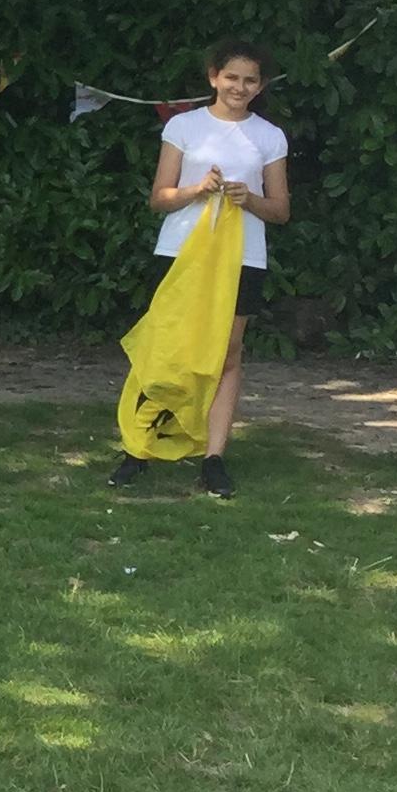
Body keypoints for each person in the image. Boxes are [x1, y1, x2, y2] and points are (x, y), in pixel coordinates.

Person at [110, 39, 289, 501]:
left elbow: (280, 210)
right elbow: (159, 198)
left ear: (260, 86)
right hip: (180, 251)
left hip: (243, 257)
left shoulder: (269, 136)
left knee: (227, 354)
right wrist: (197, 190)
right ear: (214, 77)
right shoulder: (184, 126)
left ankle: (213, 457)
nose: (239, 87)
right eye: (231, 77)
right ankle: (138, 447)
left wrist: (248, 199)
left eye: (250, 80)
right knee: (165, 347)